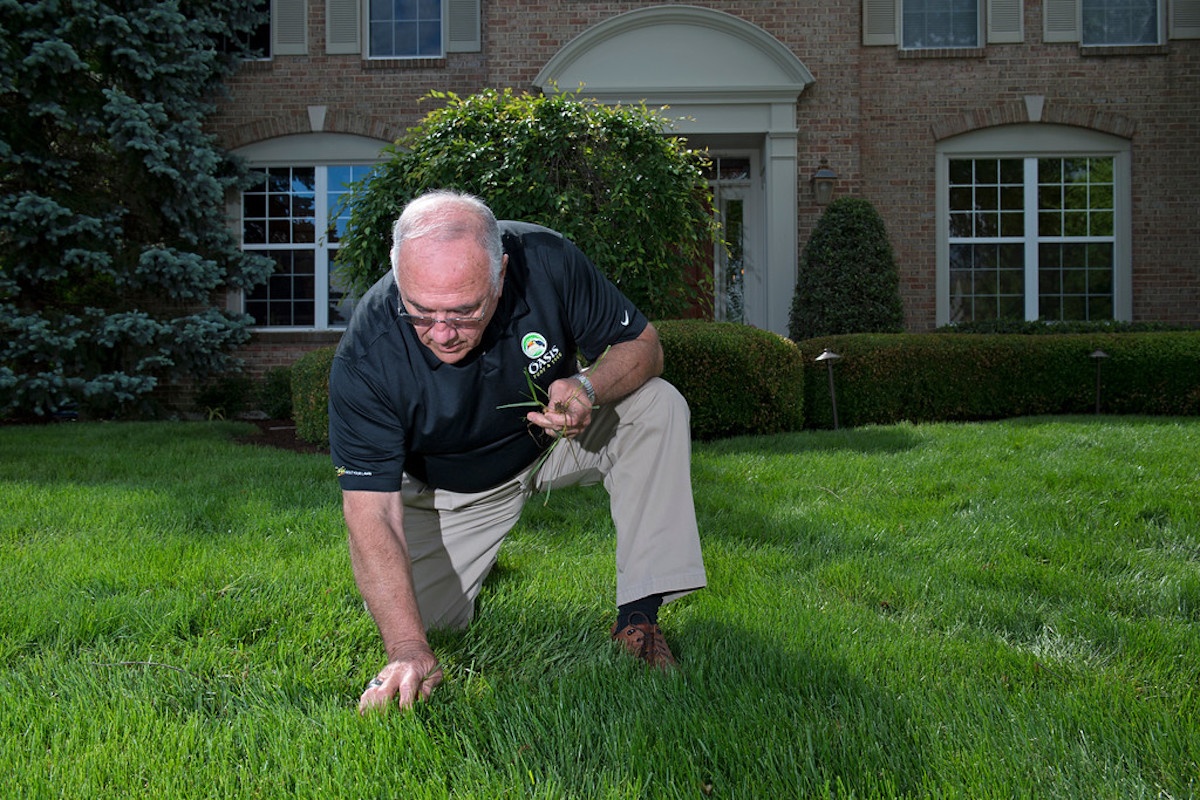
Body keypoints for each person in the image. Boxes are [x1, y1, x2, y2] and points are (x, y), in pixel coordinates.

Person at [328, 189, 707, 712]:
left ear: (501, 273)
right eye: (420, 312)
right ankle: (475, 564)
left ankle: (637, 620)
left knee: (657, 406)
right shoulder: (366, 358)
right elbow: (372, 514)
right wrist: (408, 649)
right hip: (451, 491)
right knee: (434, 622)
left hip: (553, 439)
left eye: (465, 311)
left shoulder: (546, 261)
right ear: (398, 278)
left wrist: (589, 387)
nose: (442, 333)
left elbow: (645, 346)